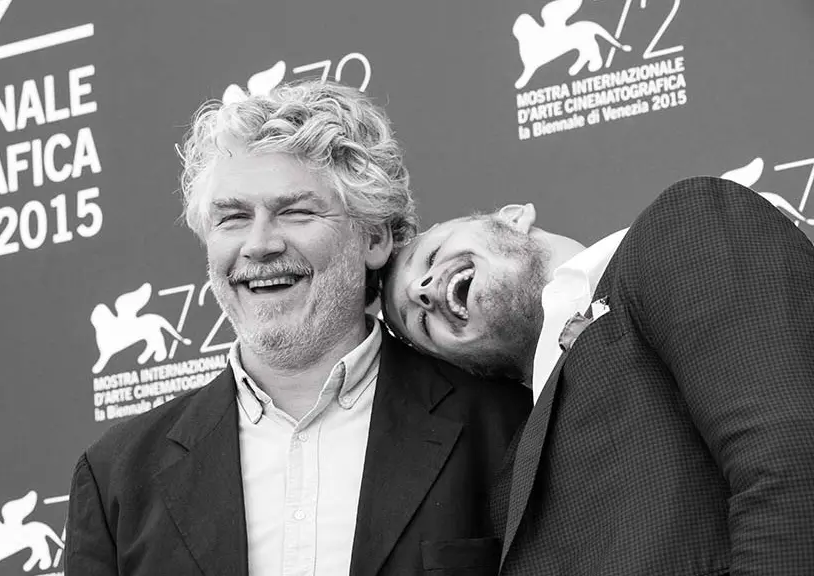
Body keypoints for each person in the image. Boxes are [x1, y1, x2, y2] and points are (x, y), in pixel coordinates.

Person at [63, 80, 530, 575]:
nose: (259, 244)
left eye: (296, 212)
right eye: (233, 218)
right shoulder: (116, 476)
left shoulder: (506, 427)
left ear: (373, 238)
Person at [381, 175, 814, 575]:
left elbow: (793, 466)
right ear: (462, 364)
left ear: (512, 218)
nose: (422, 289)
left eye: (430, 256)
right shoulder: (509, 482)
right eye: (419, 322)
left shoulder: (682, 226)